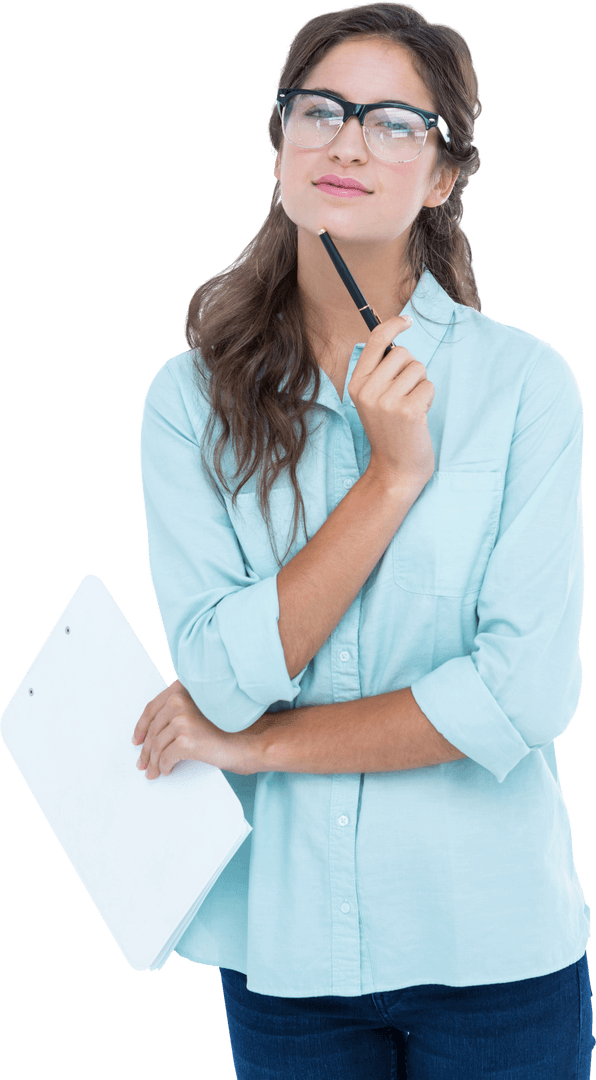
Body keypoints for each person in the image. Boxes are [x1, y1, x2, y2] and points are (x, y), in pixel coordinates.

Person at [133, 3, 595, 1076]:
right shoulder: (186, 401)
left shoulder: (523, 385)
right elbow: (219, 676)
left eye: (393, 122)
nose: (347, 140)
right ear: (280, 140)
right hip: (284, 959)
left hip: (497, 953)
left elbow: (521, 696)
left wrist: (257, 752)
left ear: (441, 176)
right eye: (321, 110)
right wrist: (389, 480)